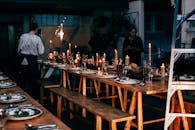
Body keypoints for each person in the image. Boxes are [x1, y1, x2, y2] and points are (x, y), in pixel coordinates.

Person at [17, 22, 45, 100]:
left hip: (23, 60)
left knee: (23, 79)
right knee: (33, 80)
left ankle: (20, 97)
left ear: (29, 28)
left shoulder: (23, 36)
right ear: (36, 29)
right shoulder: (37, 38)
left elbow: (19, 49)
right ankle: (34, 98)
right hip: (32, 60)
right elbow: (41, 51)